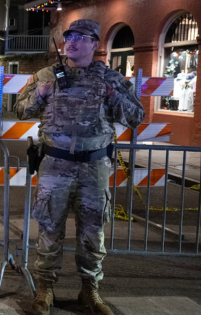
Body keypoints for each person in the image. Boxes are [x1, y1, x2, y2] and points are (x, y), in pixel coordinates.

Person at [14, 20, 145, 315]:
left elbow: (137, 116)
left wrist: (113, 95)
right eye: (68, 36)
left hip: (94, 166)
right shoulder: (46, 75)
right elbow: (20, 109)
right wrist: (42, 92)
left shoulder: (111, 78)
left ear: (94, 44)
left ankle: (90, 290)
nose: (71, 41)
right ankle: (45, 289)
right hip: (54, 164)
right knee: (49, 227)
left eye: (80, 37)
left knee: (93, 231)